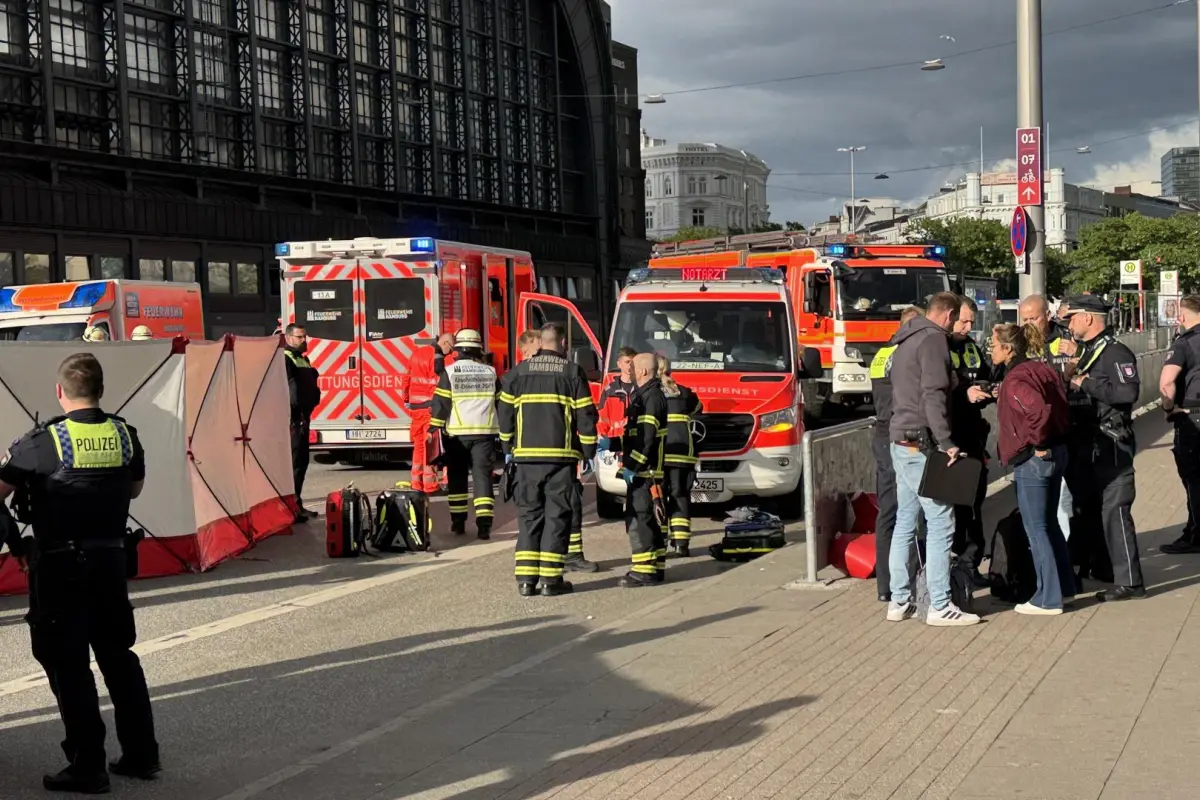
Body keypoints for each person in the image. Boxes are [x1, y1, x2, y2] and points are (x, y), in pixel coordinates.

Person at [0, 353, 160, 793]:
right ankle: (142, 754)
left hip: (60, 566)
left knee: (68, 662)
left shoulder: (43, 441)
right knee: (119, 657)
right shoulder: (124, 434)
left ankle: (88, 764)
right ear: (99, 391)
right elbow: (134, 487)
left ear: (60, 391)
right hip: (111, 561)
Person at [886, 291, 980, 626]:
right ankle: (940, 605)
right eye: (960, 318)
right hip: (922, 444)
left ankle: (899, 601)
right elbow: (933, 394)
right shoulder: (934, 340)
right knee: (941, 522)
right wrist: (946, 442)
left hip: (900, 439)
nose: (961, 325)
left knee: (905, 523)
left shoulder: (906, 338)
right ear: (949, 314)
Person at [498, 323, 597, 596]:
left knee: (528, 517)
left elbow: (504, 415)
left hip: (525, 459)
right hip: (561, 459)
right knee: (557, 517)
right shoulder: (572, 372)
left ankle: (526, 581)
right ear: (562, 342)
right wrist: (588, 452)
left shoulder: (517, 374)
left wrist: (508, 447)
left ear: (539, 342)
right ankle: (550, 582)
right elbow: (586, 416)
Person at [1061, 294, 1144, 602]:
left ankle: (1131, 583)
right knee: (1087, 510)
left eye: (1072, 317)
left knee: (1115, 512)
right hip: (1088, 444)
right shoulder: (1090, 351)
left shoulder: (1115, 352)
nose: (1069, 324)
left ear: (1088, 318)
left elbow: (1127, 392)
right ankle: (1097, 568)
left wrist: (1083, 381)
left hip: (1112, 445)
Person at [991, 323, 1075, 614]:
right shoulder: (1042, 369)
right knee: (1049, 524)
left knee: (1036, 528)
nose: (990, 349)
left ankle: (1047, 598)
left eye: (993, 345)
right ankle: (1064, 587)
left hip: (1034, 458)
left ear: (1008, 349)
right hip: (1057, 452)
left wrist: (1038, 442)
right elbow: (1059, 403)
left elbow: (1039, 410)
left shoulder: (1015, 379)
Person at [868, 305, 925, 602]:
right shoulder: (905, 355)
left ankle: (886, 585)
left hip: (882, 432)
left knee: (889, 512)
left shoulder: (881, 354)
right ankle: (906, 581)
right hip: (899, 435)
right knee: (907, 513)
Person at [430, 329, 500, 539]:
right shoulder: (491, 372)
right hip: (484, 434)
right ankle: (484, 525)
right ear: (479, 349)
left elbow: (441, 404)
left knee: (457, 478)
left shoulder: (450, 372)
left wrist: (433, 428)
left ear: (457, 349)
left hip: (457, 436)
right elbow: (501, 401)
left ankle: (458, 522)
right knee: (482, 478)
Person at [1020, 294, 1077, 541]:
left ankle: (1070, 550)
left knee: (1067, 496)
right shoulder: (1020, 341)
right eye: (1025, 319)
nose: (1029, 324)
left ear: (1048, 315)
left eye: (1034, 317)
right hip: (1035, 434)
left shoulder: (1066, 337)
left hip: (1066, 429)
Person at [617, 353, 669, 587]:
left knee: (640, 519)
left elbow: (647, 438)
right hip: (645, 469)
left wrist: (633, 465)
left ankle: (644, 570)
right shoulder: (646, 395)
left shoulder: (651, 397)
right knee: (648, 518)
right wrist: (616, 444)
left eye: (633, 366)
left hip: (646, 471)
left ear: (644, 372)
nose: (629, 369)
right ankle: (655, 566)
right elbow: (638, 434)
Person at [950, 297, 992, 583]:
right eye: (963, 321)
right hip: (950, 441)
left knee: (974, 507)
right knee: (951, 510)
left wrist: (989, 389)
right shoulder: (937, 346)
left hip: (974, 438)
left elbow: (985, 375)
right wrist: (964, 394)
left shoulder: (971, 348)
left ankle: (972, 565)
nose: (967, 328)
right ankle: (954, 569)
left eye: (971, 323)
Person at [1159, 295, 1200, 555]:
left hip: (1193, 417)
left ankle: (1195, 536)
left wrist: (1168, 408)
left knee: (1194, 480)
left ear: (1182, 317)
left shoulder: (1184, 343)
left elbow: (1167, 382)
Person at [657, 355, 702, 558]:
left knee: (659, 496)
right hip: (684, 453)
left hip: (661, 453)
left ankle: (661, 542)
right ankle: (682, 544)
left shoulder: (652, 394)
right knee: (680, 496)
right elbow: (698, 409)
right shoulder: (685, 393)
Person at [284, 323, 320, 522]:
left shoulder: (303, 360)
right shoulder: (286, 358)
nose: (304, 340)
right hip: (293, 420)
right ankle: (291, 508)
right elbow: (290, 392)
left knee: (302, 463)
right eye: (299, 337)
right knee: (294, 465)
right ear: (289, 338)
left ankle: (297, 504)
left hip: (304, 419)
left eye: (305, 336)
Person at [399, 344, 440, 494]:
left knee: (419, 447)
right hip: (431, 408)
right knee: (431, 446)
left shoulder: (415, 354)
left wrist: (406, 400)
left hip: (416, 409)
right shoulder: (439, 357)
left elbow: (406, 378)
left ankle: (416, 482)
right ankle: (430, 484)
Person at [597, 347, 638, 447]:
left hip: (637, 443)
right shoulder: (610, 390)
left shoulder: (640, 389)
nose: (630, 365)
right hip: (614, 444)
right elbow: (602, 420)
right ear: (619, 364)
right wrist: (603, 442)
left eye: (633, 362)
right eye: (627, 362)